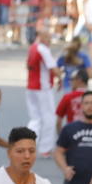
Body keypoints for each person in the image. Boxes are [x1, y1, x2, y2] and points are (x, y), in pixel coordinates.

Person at [24, 29, 58, 157]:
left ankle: (29, 142)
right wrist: (61, 77)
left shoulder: (32, 47)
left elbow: (28, 65)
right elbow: (53, 68)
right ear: (41, 37)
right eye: (48, 38)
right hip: (42, 88)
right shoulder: (43, 49)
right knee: (49, 116)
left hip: (31, 86)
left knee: (35, 118)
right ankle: (45, 147)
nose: (50, 41)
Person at [55, 68, 90, 134]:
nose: (70, 82)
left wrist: (61, 137)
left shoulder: (67, 97)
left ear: (79, 80)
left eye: (71, 79)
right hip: (91, 136)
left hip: (72, 134)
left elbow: (58, 121)